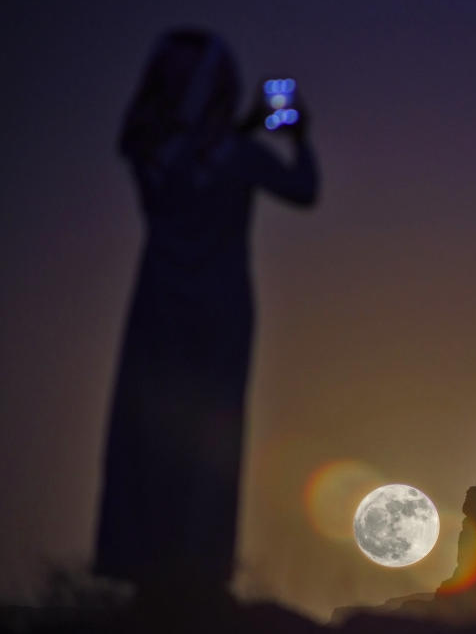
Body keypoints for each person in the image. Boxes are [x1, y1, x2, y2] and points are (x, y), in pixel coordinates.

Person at [93, 29, 319, 602]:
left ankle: (149, 568)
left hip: (159, 306)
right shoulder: (238, 157)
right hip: (220, 310)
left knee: (153, 431)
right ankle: (198, 569)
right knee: (210, 433)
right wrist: (298, 137)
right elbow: (303, 188)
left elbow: (178, 149)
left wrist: (237, 127)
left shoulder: (147, 150)